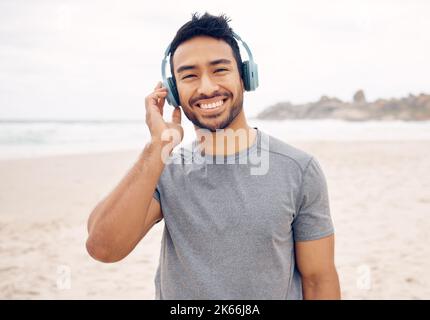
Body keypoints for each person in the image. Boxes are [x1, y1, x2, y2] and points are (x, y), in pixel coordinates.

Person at [86, 12, 341, 300]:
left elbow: (319, 280)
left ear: (245, 77)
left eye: (219, 70)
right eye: (189, 75)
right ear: (172, 92)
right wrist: (157, 147)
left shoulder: (299, 169)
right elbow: (103, 248)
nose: (206, 88)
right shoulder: (164, 168)